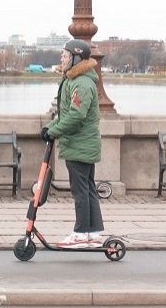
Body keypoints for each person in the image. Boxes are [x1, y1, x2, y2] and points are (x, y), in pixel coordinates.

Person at [40, 39, 104, 248]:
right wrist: (51, 127)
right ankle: (93, 233)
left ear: (76, 58)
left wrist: (54, 132)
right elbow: (65, 113)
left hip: (80, 144)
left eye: (65, 55)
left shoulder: (81, 83)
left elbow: (76, 116)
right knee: (87, 188)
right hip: (81, 144)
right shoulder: (75, 80)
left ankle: (80, 233)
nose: (62, 58)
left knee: (80, 191)